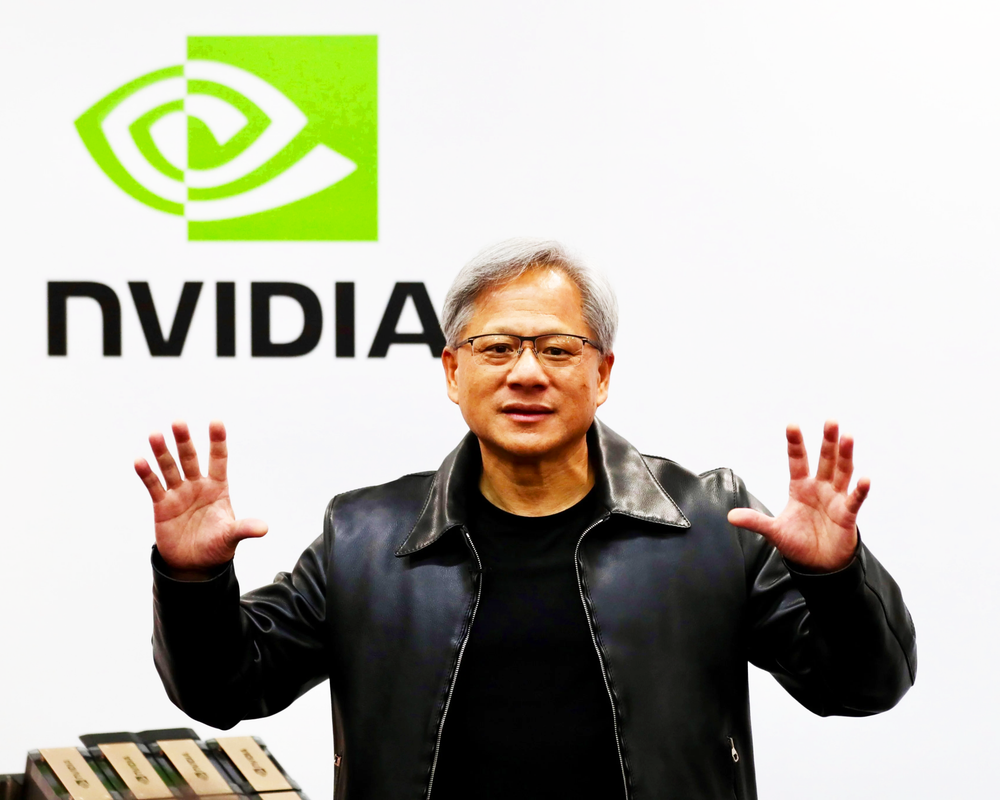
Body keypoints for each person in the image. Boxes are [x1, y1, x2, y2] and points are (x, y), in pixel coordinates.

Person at [135, 239, 916, 800]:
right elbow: (224, 687)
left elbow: (864, 686)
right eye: (498, 348)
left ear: (602, 373)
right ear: (453, 371)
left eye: (558, 350)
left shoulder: (709, 522)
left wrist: (833, 577)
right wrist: (194, 578)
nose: (528, 373)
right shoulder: (364, 538)